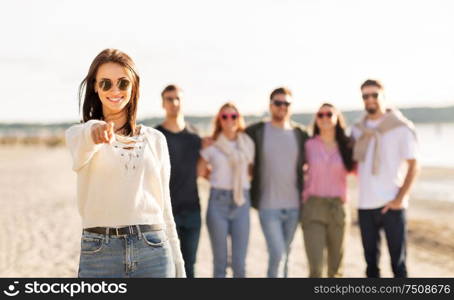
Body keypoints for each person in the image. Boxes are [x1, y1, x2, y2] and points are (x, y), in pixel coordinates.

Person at [65, 48, 185, 278]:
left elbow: (165, 208)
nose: (115, 90)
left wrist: (178, 264)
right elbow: (85, 140)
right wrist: (95, 130)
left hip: (154, 250)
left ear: (134, 86)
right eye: (106, 83)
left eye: (123, 83)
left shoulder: (156, 139)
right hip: (100, 252)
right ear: (95, 87)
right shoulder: (79, 135)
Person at [351, 79, 419, 278]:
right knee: (371, 267)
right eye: (365, 96)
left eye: (374, 95)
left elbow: (414, 165)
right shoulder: (357, 129)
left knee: (398, 265)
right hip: (365, 205)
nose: (370, 99)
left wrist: (400, 199)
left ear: (383, 96)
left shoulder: (401, 127)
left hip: (392, 205)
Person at [245, 87, 309, 277]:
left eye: (286, 103)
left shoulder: (300, 134)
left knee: (286, 256)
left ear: (291, 106)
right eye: (278, 103)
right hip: (267, 207)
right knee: (277, 255)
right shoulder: (256, 131)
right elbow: (232, 136)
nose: (282, 107)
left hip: (294, 207)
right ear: (270, 105)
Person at [198, 102, 254, 277]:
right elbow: (200, 171)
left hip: (242, 202)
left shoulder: (247, 143)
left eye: (233, 116)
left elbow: (251, 170)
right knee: (220, 263)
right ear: (219, 120)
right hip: (218, 203)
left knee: (239, 264)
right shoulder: (212, 145)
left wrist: (241, 181)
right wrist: (214, 178)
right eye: (225, 116)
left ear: (239, 119)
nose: (229, 120)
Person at [301, 103, 356, 278]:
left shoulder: (347, 145)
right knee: (316, 269)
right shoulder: (308, 145)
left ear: (336, 118)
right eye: (320, 114)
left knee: (335, 270)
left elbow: (361, 170)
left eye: (329, 114)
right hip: (313, 207)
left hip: (338, 209)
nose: (324, 118)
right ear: (316, 119)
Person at [155, 85, 202, 278]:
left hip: (192, 211)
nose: (174, 103)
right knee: (167, 268)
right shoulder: (156, 136)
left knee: (189, 266)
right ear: (163, 103)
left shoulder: (195, 135)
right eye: (169, 99)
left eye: (177, 98)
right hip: (165, 213)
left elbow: (203, 168)